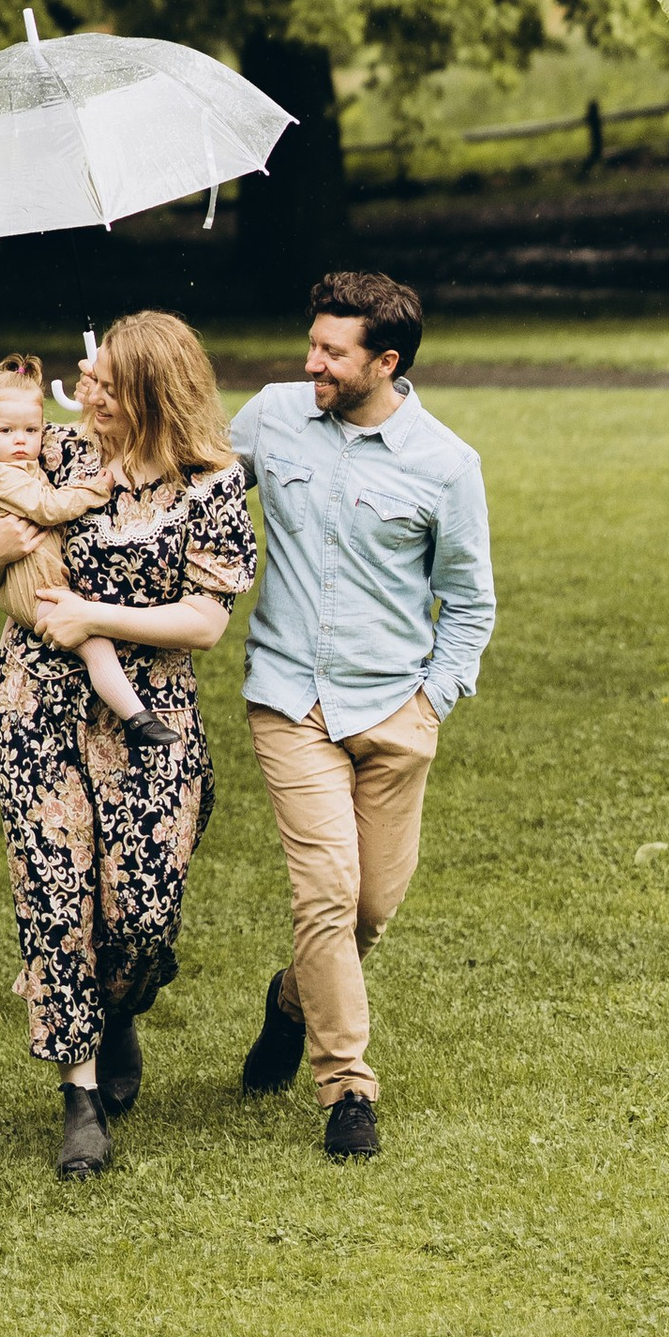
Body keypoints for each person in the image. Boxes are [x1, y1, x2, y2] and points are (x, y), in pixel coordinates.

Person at [0, 310, 257, 1180]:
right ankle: (81, 1097)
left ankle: (119, 1006)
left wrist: (93, 616)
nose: (89, 400)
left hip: (149, 715)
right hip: (37, 703)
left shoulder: (212, 483)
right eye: (91, 386)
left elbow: (205, 622)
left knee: (140, 915)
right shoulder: (58, 456)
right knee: (55, 895)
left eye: (108, 389)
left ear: (155, 394)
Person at [227, 268, 495, 1162]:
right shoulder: (271, 416)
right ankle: (347, 1088)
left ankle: (290, 1003)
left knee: (369, 910)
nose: (311, 363)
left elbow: (470, 603)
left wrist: (432, 701)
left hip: (394, 711)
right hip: (290, 700)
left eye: (332, 353)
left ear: (386, 363)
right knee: (328, 895)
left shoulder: (446, 465)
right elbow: (188, 486)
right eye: (312, 344)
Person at [0, 356, 180, 749]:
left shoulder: (14, 466)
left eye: (31, 430)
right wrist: (96, 489)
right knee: (94, 643)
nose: (20, 440)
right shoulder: (0, 475)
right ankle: (136, 717)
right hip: (36, 585)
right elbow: (49, 507)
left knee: (23, 604)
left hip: (30, 577)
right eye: (6, 430)